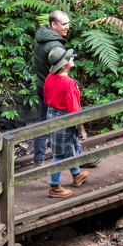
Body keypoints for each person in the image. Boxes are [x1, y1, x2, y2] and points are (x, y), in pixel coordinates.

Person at [43, 44, 91, 198]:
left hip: (52, 113)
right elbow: (75, 110)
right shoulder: (68, 83)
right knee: (60, 153)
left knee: (69, 145)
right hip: (65, 117)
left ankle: (76, 175)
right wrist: (81, 128)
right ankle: (54, 186)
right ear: (64, 65)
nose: (72, 57)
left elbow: (46, 99)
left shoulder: (49, 77)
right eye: (69, 57)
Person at [32, 9, 70, 164]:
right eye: (64, 24)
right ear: (53, 25)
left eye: (68, 23)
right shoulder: (55, 47)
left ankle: (38, 159)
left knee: (43, 122)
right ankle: (77, 157)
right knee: (68, 121)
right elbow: (63, 71)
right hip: (55, 90)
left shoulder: (41, 35)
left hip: (42, 85)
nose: (67, 27)